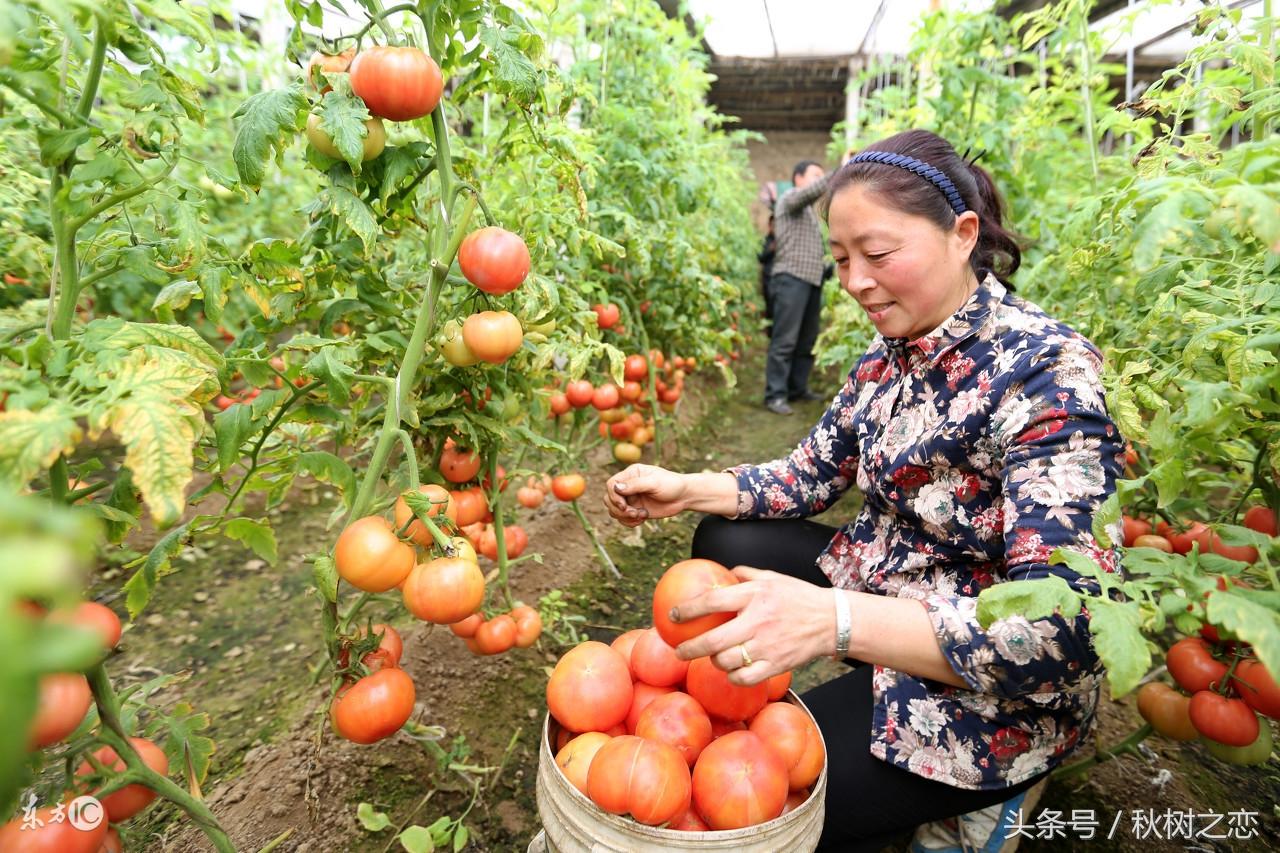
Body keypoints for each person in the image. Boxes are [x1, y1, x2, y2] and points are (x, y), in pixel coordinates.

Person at [603, 129, 1125, 852]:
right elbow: (810, 474)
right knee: (725, 539)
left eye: (876, 255)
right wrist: (689, 487)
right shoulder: (888, 357)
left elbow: (1065, 627)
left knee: (791, 801)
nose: (853, 282)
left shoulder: (1048, 376)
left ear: (962, 235)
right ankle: (864, 681)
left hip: (1001, 685)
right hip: (896, 592)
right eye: (842, 260)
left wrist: (835, 620)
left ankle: (1001, 791)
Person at [763, 159, 832, 414]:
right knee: (785, 340)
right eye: (815, 175)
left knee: (807, 339)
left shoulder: (808, 214)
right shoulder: (789, 199)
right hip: (791, 278)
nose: (819, 180)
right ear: (798, 178)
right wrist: (840, 171)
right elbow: (809, 193)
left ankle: (797, 389)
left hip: (811, 280)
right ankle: (775, 395)